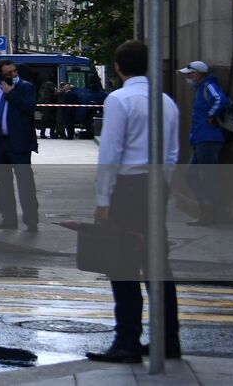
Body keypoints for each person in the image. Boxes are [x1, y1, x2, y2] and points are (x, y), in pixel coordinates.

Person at [87, 40, 181, 364]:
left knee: (123, 265)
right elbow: (172, 153)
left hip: (127, 188)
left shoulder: (119, 99)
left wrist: (103, 198)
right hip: (156, 185)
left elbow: (110, 152)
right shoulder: (166, 101)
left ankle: (127, 340)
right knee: (158, 265)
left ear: (117, 67)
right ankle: (168, 339)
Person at [0, 57, 39, 231]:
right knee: (3, 183)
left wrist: (11, 93)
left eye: (15, 71)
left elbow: (29, 109)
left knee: (25, 183)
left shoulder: (26, 87)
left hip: (19, 143)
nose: (13, 74)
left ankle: (31, 220)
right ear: (0, 75)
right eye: (9, 73)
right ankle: (9, 218)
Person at [182, 60, 226, 226]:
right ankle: (206, 208)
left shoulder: (208, 86)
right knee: (193, 175)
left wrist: (211, 116)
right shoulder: (201, 88)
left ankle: (210, 212)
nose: (187, 77)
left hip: (208, 138)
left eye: (189, 74)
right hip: (201, 138)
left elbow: (219, 100)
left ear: (197, 74)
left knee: (207, 177)